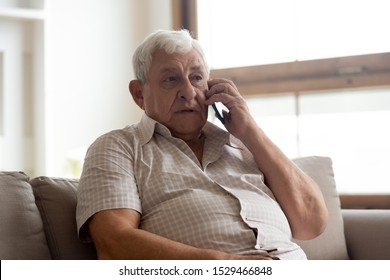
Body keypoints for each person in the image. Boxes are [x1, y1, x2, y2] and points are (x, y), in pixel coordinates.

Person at [76, 29, 328, 260]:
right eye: (170, 80)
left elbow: (312, 223)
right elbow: (114, 242)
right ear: (139, 94)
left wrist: (250, 130)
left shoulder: (245, 144)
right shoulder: (118, 147)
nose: (188, 91)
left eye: (196, 77)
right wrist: (226, 264)